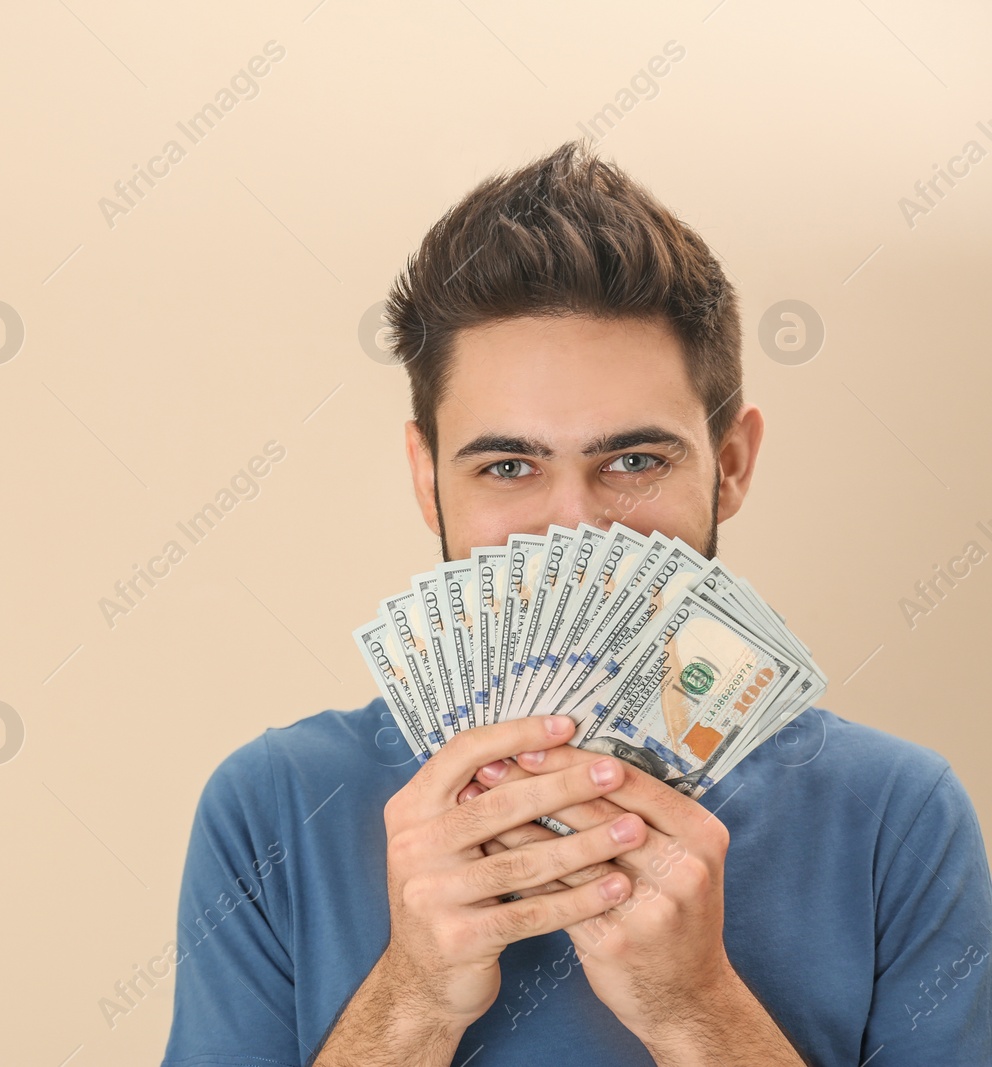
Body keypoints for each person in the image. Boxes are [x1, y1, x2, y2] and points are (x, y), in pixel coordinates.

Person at [160, 140, 992, 1066]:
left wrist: (695, 1008)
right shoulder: (274, 805)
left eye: (635, 460)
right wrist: (413, 1000)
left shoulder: (898, 816)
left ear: (731, 465)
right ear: (428, 481)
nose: (577, 527)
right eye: (508, 466)